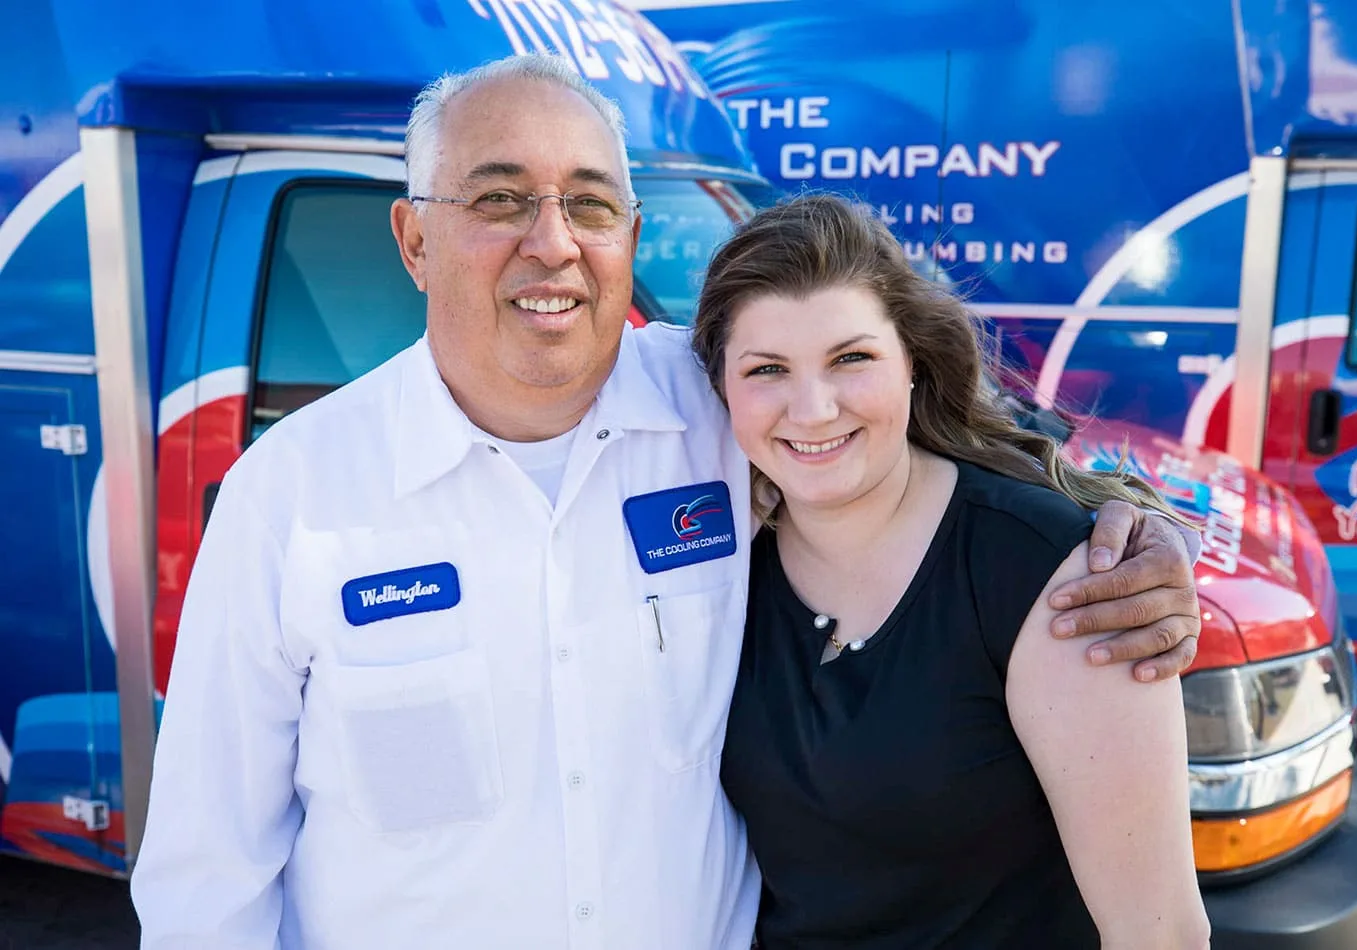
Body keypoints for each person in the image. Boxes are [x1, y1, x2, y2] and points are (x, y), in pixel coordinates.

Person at [130, 55, 1202, 949]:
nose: (553, 242)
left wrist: (1118, 526)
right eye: (500, 199)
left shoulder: (724, 409)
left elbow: (905, 431)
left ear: (631, 238)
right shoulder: (291, 493)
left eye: (590, 204)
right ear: (414, 240)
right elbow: (206, 872)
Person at [693, 193, 1211, 950]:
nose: (812, 409)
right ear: (721, 390)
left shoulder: (1051, 576)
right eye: (767, 369)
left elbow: (1158, 933)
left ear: (912, 362)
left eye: (851, 359)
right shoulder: (723, 565)